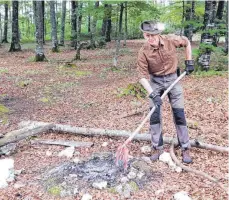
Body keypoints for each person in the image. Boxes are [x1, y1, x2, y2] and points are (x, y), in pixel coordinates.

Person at [137, 21, 194, 164]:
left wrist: (189, 61)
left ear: (158, 34)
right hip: (155, 82)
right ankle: (157, 147)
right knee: (154, 116)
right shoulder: (143, 51)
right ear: (144, 35)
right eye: (147, 35)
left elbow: (186, 42)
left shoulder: (170, 40)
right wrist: (152, 94)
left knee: (179, 114)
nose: (150, 38)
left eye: (153, 35)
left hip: (173, 80)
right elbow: (142, 76)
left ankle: (185, 147)